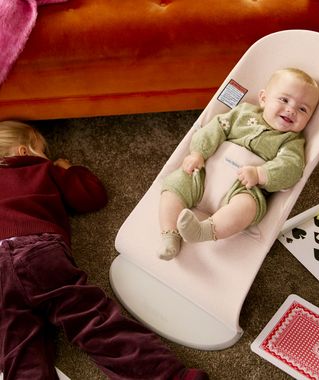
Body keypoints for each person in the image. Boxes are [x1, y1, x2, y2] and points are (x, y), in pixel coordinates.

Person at [0, 121, 209, 380]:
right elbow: (90, 196)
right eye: (43, 150)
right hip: (35, 250)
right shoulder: (40, 168)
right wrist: (66, 169)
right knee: (90, 321)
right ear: (23, 152)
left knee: (17, 344)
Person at [158, 67, 319, 260]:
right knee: (174, 185)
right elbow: (216, 127)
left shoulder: (291, 142)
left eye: (303, 109)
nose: (291, 110)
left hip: (242, 189)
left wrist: (261, 174)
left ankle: (202, 232)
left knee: (247, 208)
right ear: (263, 98)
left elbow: (291, 168)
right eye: (284, 100)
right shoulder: (243, 113)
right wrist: (198, 153)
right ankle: (170, 235)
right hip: (203, 175)